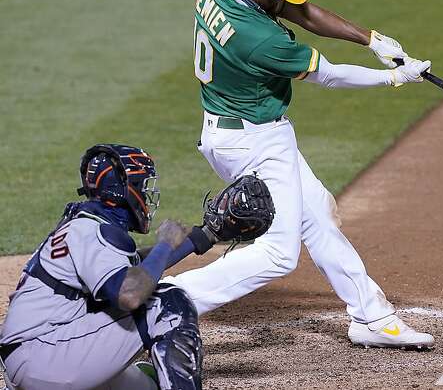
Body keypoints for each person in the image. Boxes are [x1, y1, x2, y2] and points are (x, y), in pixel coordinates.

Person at [167, 0, 434, 349]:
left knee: (320, 219)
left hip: (240, 130)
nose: (288, 0)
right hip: (253, 142)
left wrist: (372, 40)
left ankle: (371, 317)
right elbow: (327, 74)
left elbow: (301, 10)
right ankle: (167, 303)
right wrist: (394, 77)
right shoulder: (259, 39)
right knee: (278, 254)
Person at [0, 144, 273, 390]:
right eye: (141, 186)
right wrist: (165, 244)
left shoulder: (86, 226)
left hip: (43, 356)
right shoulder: (92, 232)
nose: (146, 193)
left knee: (150, 381)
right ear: (120, 190)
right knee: (168, 302)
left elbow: (134, 268)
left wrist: (204, 236)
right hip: (46, 358)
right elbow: (130, 293)